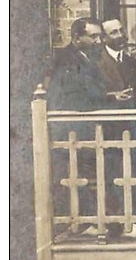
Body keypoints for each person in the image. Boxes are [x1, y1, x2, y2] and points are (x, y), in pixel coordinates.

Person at [48, 17, 125, 238]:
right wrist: (107, 98)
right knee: (88, 177)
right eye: (93, 36)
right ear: (76, 38)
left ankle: (107, 223)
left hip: (83, 128)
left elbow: (90, 92)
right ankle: (106, 224)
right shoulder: (67, 60)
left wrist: (110, 96)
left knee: (94, 176)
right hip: (73, 129)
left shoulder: (85, 56)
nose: (98, 41)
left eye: (100, 36)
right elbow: (77, 97)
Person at [97, 17, 136, 238]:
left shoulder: (129, 60)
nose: (120, 36)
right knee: (113, 173)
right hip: (109, 127)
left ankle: (133, 218)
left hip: (131, 124)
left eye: (121, 31)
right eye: (114, 33)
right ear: (104, 38)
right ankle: (117, 222)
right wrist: (112, 98)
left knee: (133, 169)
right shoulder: (96, 61)